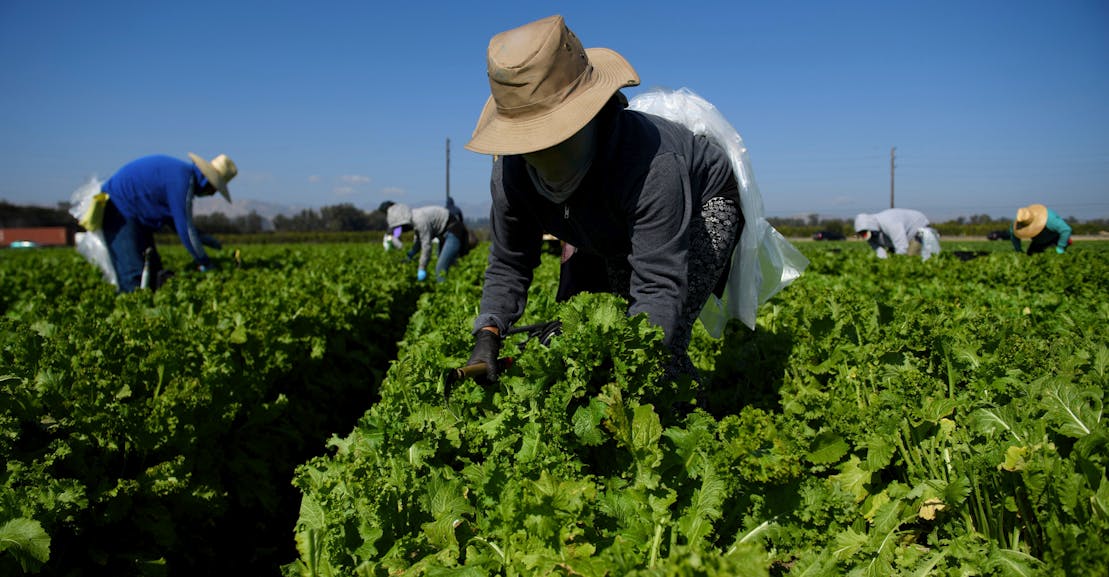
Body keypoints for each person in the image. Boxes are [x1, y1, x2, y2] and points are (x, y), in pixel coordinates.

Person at [462, 15, 744, 382]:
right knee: (583, 340)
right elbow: (509, 264)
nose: (543, 154)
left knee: (656, 348)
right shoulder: (510, 174)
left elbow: (659, 284)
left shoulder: (650, 164)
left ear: (590, 114)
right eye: (530, 143)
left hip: (704, 203)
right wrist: (489, 332)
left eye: (554, 137)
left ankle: (694, 423)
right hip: (605, 218)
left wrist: (628, 357)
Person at [99, 153, 237, 292]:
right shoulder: (183, 180)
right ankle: (127, 309)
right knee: (134, 277)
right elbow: (185, 229)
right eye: (214, 189)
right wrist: (205, 262)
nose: (212, 194)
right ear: (208, 182)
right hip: (119, 211)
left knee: (153, 272)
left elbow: (175, 222)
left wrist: (204, 239)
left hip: (136, 218)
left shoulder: (182, 175)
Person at [379, 201, 468, 281]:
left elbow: (426, 246)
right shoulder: (414, 218)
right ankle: (452, 284)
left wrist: (422, 268)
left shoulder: (419, 220)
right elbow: (419, 241)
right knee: (449, 265)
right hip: (445, 234)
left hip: (453, 232)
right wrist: (411, 254)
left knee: (440, 268)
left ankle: (444, 290)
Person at [853, 208, 941, 260]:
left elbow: (902, 246)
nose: (864, 236)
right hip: (901, 238)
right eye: (861, 234)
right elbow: (879, 250)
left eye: (864, 233)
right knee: (892, 258)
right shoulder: (870, 234)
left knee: (910, 258)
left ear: (870, 227)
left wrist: (896, 265)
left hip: (917, 229)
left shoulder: (889, 222)